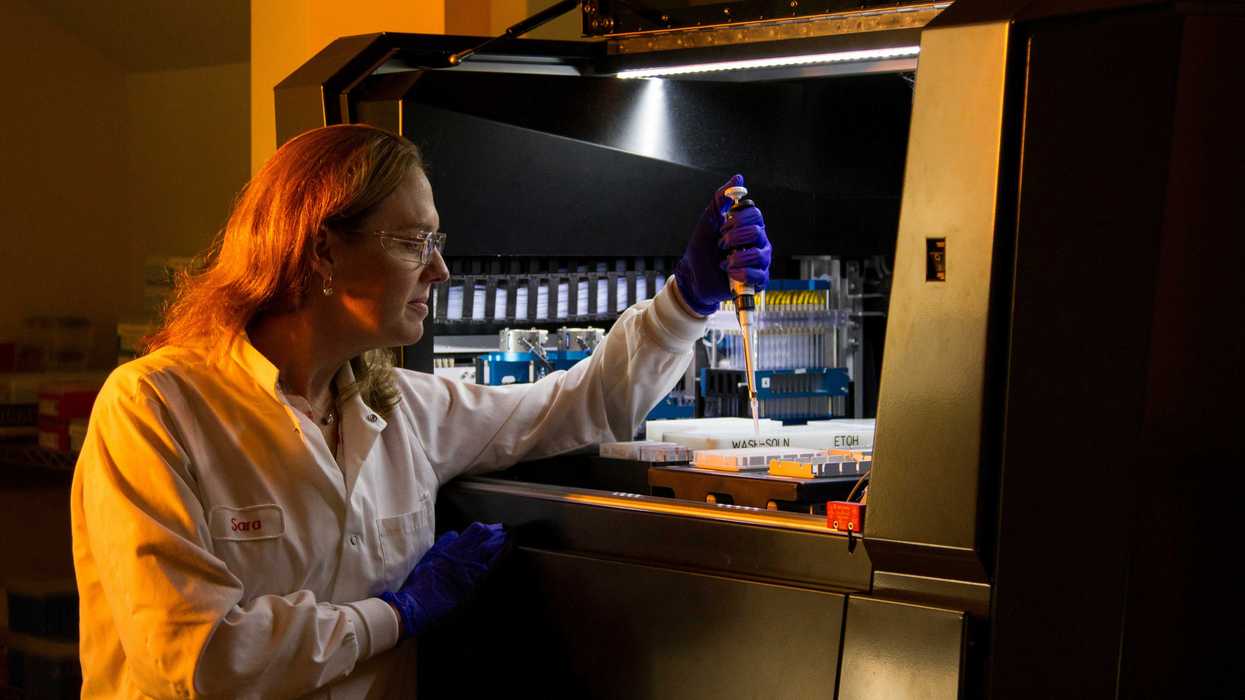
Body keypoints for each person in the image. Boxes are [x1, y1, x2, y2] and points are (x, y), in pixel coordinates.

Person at [70, 124, 771, 698]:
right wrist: (394, 616)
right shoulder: (156, 408)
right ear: (320, 251)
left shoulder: (398, 406)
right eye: (413, 243)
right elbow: (195, 655)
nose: (440, 271)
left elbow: (577, 403)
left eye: (436, 243)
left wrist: (686, 301)